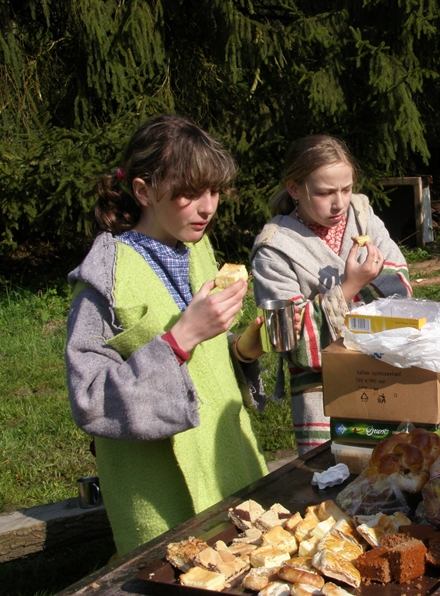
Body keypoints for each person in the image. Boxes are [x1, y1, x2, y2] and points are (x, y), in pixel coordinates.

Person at [65, 115, 269, 556]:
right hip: (161, 500)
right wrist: (178, 341)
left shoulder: (198, 251)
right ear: (143, 191)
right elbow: (89, 398)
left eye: (213, 191)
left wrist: (241, 349)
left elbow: (207, 370)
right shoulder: (104, 279)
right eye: (188, 193)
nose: (207, 207)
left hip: (227, 472)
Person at [250, 134, 411, 455]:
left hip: (384, 380)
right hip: (323, 396)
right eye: (325, 193)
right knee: (333, 480)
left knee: (394, 470)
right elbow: (292, 344)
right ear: (295, 189)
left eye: (347, 188)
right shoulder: (273, 249)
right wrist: (351, 287)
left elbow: (402, 293)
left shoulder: (363, 216)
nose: (339, 203)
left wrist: (335, 302)